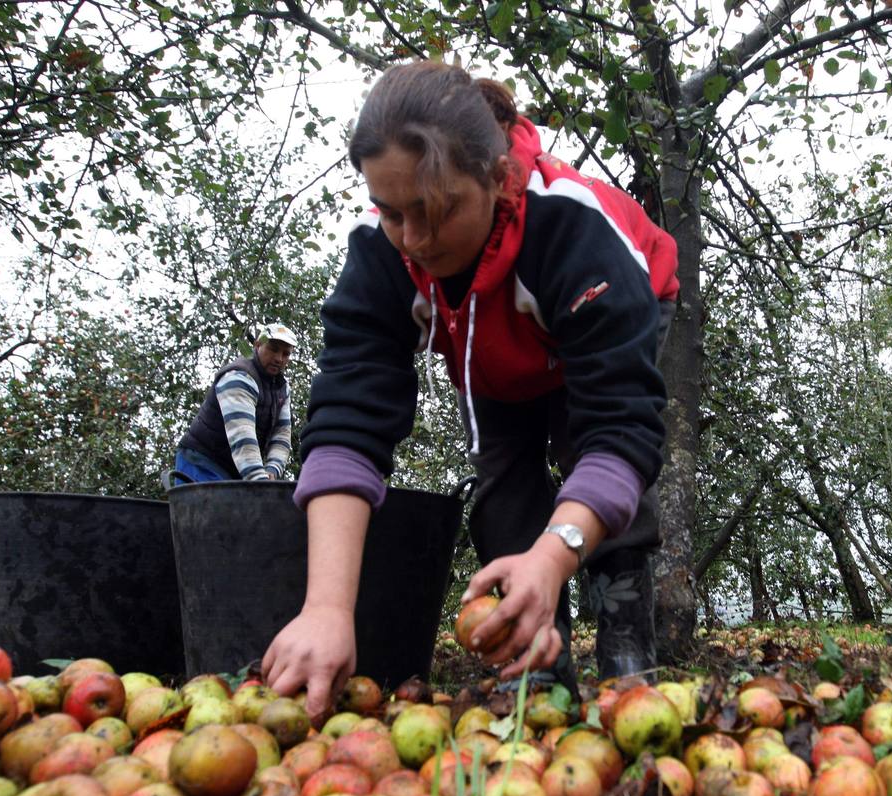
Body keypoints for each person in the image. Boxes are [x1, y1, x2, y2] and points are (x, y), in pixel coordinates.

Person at [261, 61, 679, 720]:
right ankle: (541, 673)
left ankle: (629, 655)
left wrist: (558, 551)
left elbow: (620, 430)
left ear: (494, 176)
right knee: (502, 482)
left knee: (585, 449)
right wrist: (326, 609)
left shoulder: (573, 229)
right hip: (487, 347)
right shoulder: (382, 255)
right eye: (393, 212)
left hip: (621, 304)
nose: (416, 240)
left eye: (437, 210)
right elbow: (349, 421)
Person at [175, 323, 296, 482]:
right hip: (202, 462)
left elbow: (282, 435)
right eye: (273, 349)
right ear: (258, 345)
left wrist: (273, 469)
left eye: (285, 354)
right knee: (205, 507)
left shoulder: (281, 389)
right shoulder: (239, 378)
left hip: (233, 469)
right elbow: (242, 436)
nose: (279, 358)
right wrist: (260, 482)